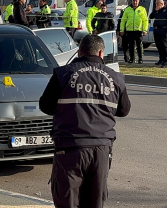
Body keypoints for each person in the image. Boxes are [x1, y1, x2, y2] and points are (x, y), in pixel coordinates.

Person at [39, 34, 131, 208]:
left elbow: (46, 106)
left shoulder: (63, 74)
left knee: (67, 201)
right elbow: (124, 110)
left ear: (79, 52)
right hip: (101, 149)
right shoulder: (116, 78)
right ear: (101, 53)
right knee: (95, 202)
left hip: (70, 147)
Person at [120, 0, 148, 64]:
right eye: (133, 1)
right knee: (131, 45)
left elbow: (145, 20)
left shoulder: (142, 9)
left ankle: (140, 59)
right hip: (129, 30)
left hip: (138, 30)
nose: (135, 2)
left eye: (136, 1)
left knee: (139, 45)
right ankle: (132, 59)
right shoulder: (127, 9)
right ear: (132, 1)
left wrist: (144, 30)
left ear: (138, 1)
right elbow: (123, 20)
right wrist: (122, 29)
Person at [149, 0, 167, 67]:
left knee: (164, 46)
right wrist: (156, 10)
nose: (157, 5)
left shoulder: (165, 10)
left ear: (162, 4)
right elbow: (151, 16)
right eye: (156, 4)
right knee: (158, 46)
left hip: (163, 30)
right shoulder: (157, 10)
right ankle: (161, 59)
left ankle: (165, 60)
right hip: (156, 30)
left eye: (158, 4)